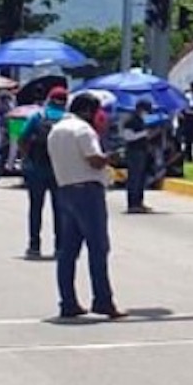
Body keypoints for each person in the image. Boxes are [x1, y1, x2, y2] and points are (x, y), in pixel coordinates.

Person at [47, 92, 123, 320]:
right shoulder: (83, 129)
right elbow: (94, 160)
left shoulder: (56, 130)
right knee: (98, 248)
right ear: (89, 111)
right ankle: (102, 300)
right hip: (88, 190)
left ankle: (67, 301)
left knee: (67, 251)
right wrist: (112, 157)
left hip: (65, 189)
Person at [18, 89, 68, 259]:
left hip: (37, 168)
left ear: (49, 99)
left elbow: (22, 138)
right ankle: (60, 247)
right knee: (60, 210)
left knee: (35, 209)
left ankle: (34, 246)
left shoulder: (38, 116)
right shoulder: (69, 119)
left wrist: (27, 159)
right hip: (60, 170)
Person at [120, 99, 157, 214]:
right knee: (134, 179)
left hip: (141, 151)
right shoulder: (131, 120)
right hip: (134, 152)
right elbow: (128, 137)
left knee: (141, 178)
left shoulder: (140, 119)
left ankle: (139, 203)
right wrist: (145, 133)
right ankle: (133, 204)